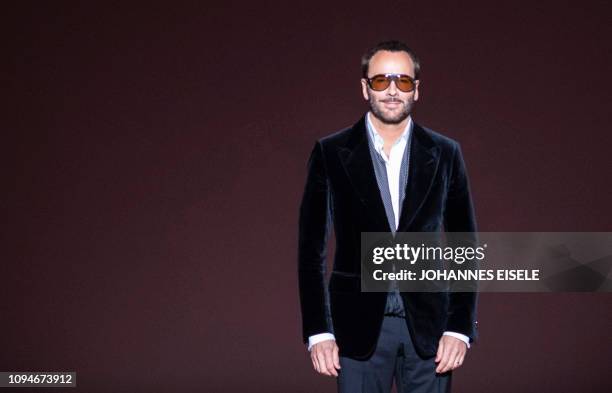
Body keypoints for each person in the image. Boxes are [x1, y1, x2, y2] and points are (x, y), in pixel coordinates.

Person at [297, 40, 479, 393]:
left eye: (403, 81)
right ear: (365, 87)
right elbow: (311, 249)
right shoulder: (331, 153)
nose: (393, 90)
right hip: (356, 328)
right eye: (381, 81)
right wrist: (319, 330)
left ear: (417, 90)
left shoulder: (445, 153)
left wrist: (459, 327)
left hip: (429, 330)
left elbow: (464, 244)